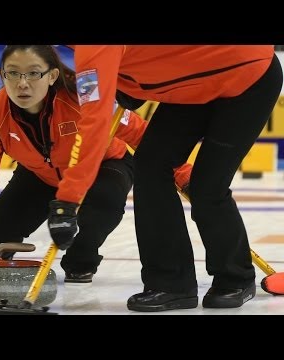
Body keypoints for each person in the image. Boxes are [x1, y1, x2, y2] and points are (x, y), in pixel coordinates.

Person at [47, 45, 282, 311]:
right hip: (195, 82)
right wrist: (131, 84)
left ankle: (236, 277)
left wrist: (67, 200)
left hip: (247, 78)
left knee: (208, 185)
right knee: (150, 163)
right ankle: (171, 283)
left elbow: (94, 122)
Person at [0, 45, 192, 287]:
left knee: (103, 204)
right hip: (41, 175)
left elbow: (141, 134)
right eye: (13, 73)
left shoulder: (81, 99)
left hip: (104, 166)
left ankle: (81, 259)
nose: (22, 83)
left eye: (34, 73)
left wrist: (184, 177)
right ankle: (8, 255)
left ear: (52, 75)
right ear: (1, 75)